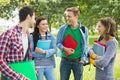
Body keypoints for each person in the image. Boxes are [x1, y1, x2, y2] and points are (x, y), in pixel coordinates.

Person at [0, 6, 36, 80]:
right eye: (34, 18)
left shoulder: (28, 35)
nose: (34, 21)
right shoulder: (9, 34)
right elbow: (1, 60)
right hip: (10, 77)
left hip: (25, 75)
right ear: (29, 17)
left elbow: (27, 57)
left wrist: (32, 69)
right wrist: (18, 77)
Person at [56, 7, 89, 80]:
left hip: (78, 61)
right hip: (65, 61)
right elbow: (58, 43)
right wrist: (65, 49)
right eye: (66, 16)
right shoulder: (63, 29)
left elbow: (85, 45)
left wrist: (83, 59)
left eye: (69, 16)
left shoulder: (84, 29)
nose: (67, 18)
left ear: (76, 16)